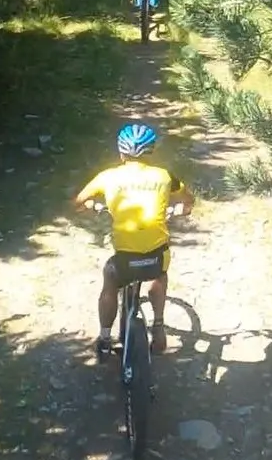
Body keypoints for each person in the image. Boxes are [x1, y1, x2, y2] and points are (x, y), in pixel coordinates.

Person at [75, 123, 195, 357]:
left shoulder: (107, 177)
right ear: (151, 152)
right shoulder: (165, 176)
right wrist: (178, 210)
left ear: (121, 153)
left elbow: (79, 202)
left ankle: (105, 337)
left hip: (124, 260)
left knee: (110, 282)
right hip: (155, 256)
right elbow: (188, 202)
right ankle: (158, 328)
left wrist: (96, 206)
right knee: (159, 273)